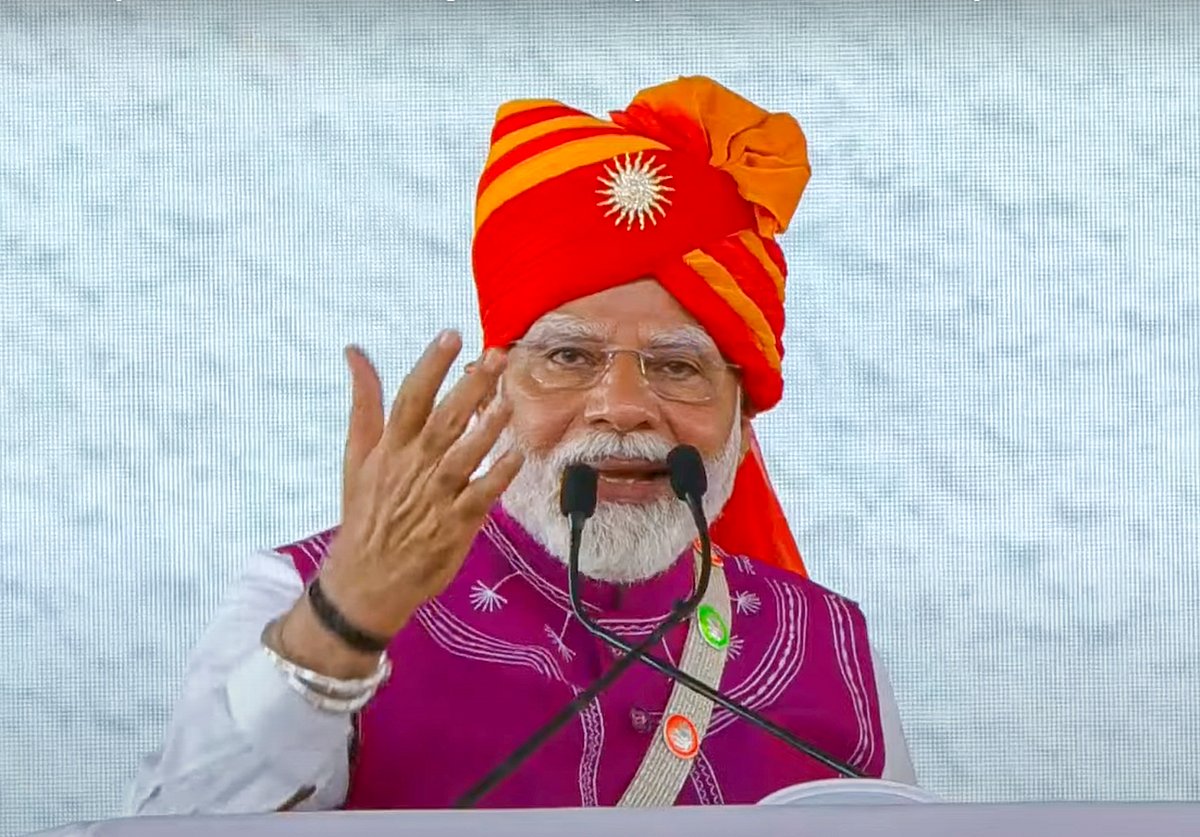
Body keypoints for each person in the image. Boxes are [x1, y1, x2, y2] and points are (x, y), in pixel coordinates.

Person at [125, 76, 915, 814]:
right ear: (491, 395)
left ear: (742, 427)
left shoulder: (830, 649)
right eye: (569, 357)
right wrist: (343, 623)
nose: (623, 408)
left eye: (678, 366)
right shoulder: (298, 594)